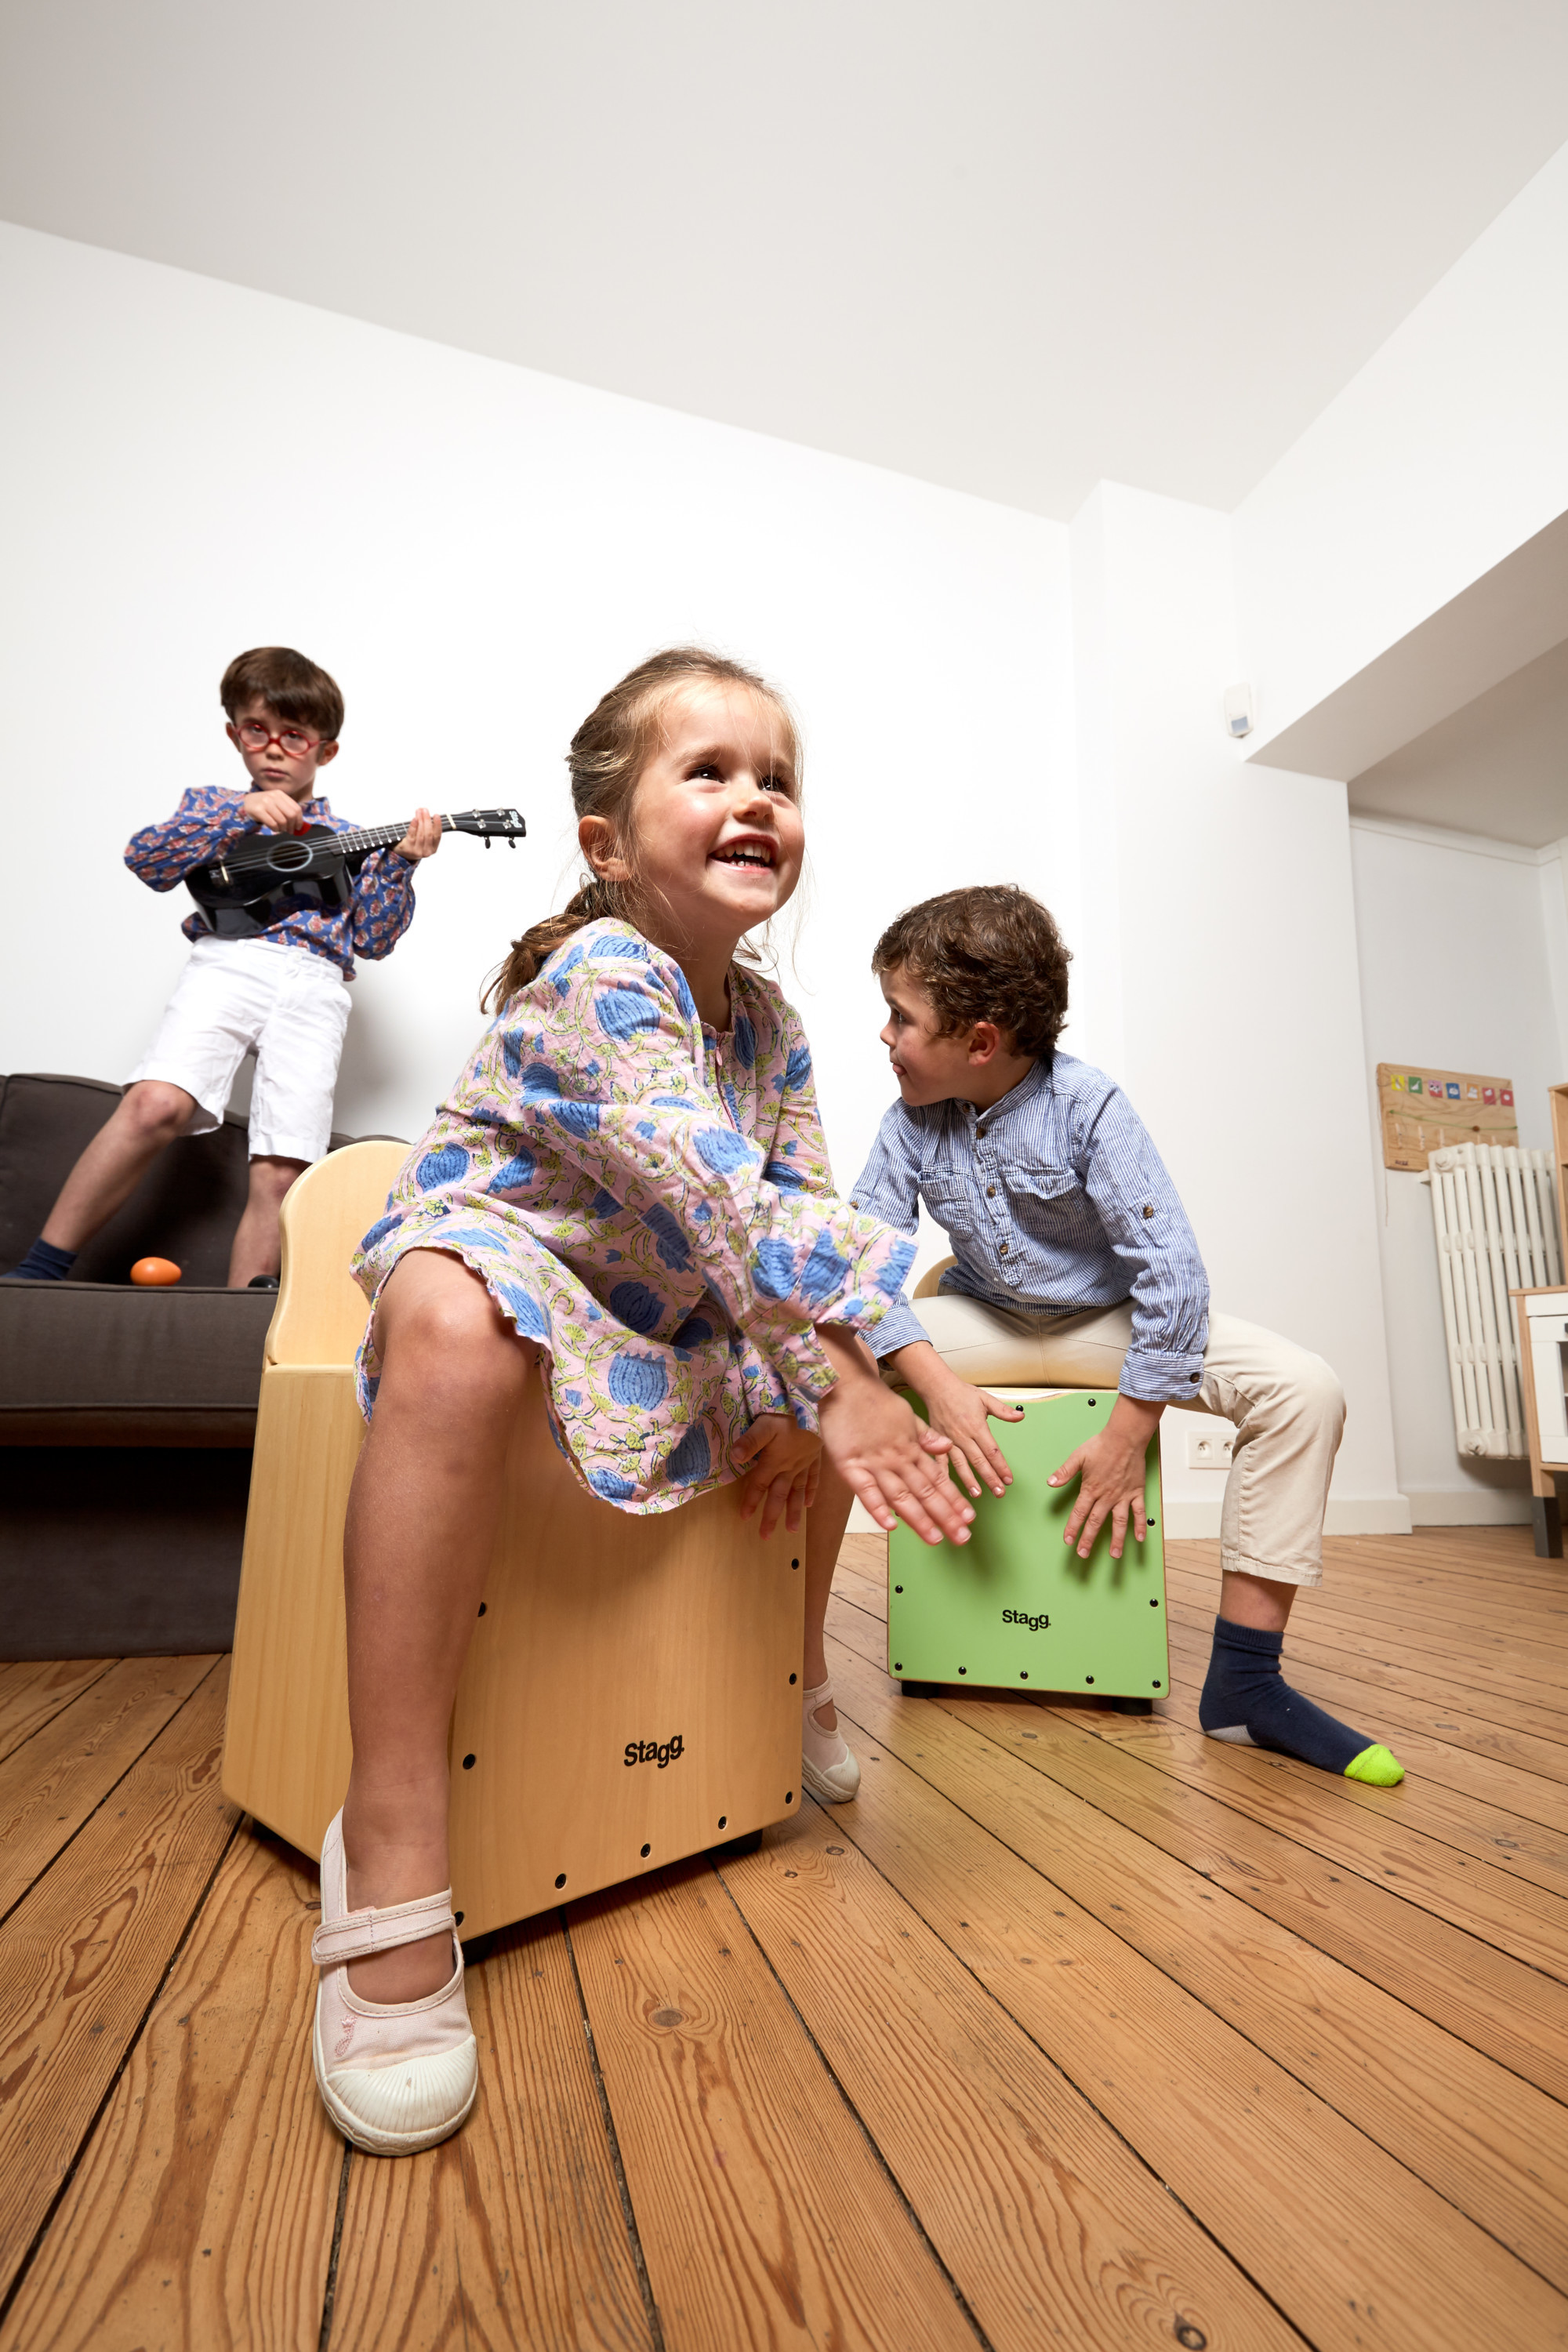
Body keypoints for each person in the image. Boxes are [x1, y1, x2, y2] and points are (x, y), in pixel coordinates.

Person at [313, 648, 974, 2157]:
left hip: (664, 1310)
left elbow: (794, 1213)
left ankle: (791, 1675)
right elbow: (716, 1188)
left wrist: (875, 1368)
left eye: (779, 778)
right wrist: (881, 1377)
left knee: (837, 1352)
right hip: (515, 1264)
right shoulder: (603, 974)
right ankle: (393, 1835)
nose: (756, 798)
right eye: (712, 771)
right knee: (454, 1315)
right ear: (608, 843)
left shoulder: (780, 1028)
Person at [812, 881, 1404, 1796]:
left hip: (1107, 1325)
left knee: (1304, 1388)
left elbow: (1173, 1277)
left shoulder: (1087, 1107)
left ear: (978, 1042)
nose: (883, 1038)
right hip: (979, 1322)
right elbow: (859, 1269)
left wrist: (1129, 1434)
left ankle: (1247, 1683)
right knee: (818, 1359)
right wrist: (928, 1378)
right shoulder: (906, 1124)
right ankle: (790, 1670)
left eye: (898, 1018)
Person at [2, 647, 441, 1290]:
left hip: (317, 983)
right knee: (155, 1104)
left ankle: (240, 1330)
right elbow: (146, 860)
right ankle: (38, 1272)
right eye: (257, 731)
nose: (273, 749)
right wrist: (239, 811)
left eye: (294, 736)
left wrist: (403, 863)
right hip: (228, 962)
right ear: (234, 734)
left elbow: (374, 939)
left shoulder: (354, 838)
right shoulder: (213, 806)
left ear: (325, 750)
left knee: (284, 1165)